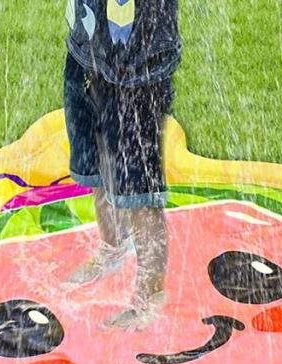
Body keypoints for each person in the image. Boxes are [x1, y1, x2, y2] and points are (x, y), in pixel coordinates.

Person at [63, 0, 181, 329]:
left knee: (140, 188)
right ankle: (112, 248)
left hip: (138, 69)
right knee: (100, 154)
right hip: (88, 48)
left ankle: (149, 296)